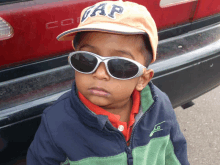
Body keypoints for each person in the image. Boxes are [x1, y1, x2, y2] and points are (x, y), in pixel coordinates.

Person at [27, 1, 189, 165]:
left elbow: (175, 154)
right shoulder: (57, 122)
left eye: (120, 65)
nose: (100, 74)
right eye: (86, 60)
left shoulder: (159, 106)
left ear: (142, 79)